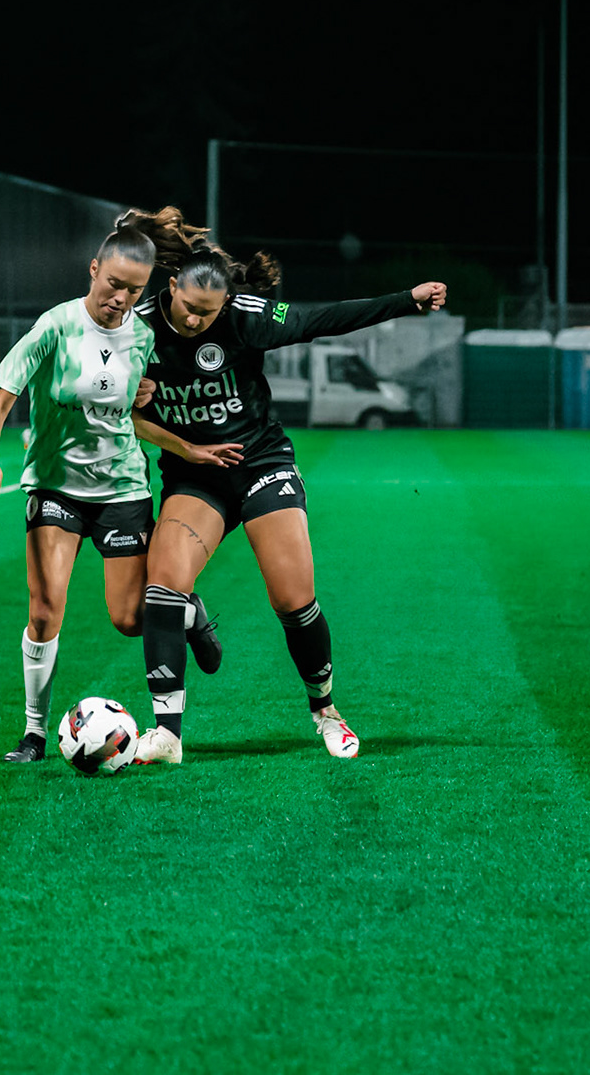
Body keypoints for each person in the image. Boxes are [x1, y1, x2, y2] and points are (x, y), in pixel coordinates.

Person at [124, 208, 447, 764]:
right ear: (171, 287)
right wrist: (128, 395)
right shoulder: (135, 327)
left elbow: (322, 318)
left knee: (293, 599)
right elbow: (99, 390)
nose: (200, 321)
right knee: (162, 587)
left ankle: (325, 711)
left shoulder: (245, 316)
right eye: (190, 309)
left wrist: (403, 301)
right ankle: (168, 734)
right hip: (195, 473)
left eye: (210, 312)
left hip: (260, 463)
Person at [0, 217, 234, 764]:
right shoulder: (55, 326)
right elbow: (2, 398)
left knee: (128, 619)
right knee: (45, 608)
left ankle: (188, 614)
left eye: (134, 290)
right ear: (94, 269)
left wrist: (186, 447)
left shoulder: (142, 337)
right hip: (55, 487)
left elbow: (134, 419)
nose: (121, 297)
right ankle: (35, 733)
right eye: (113, 282)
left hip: (121, 489)